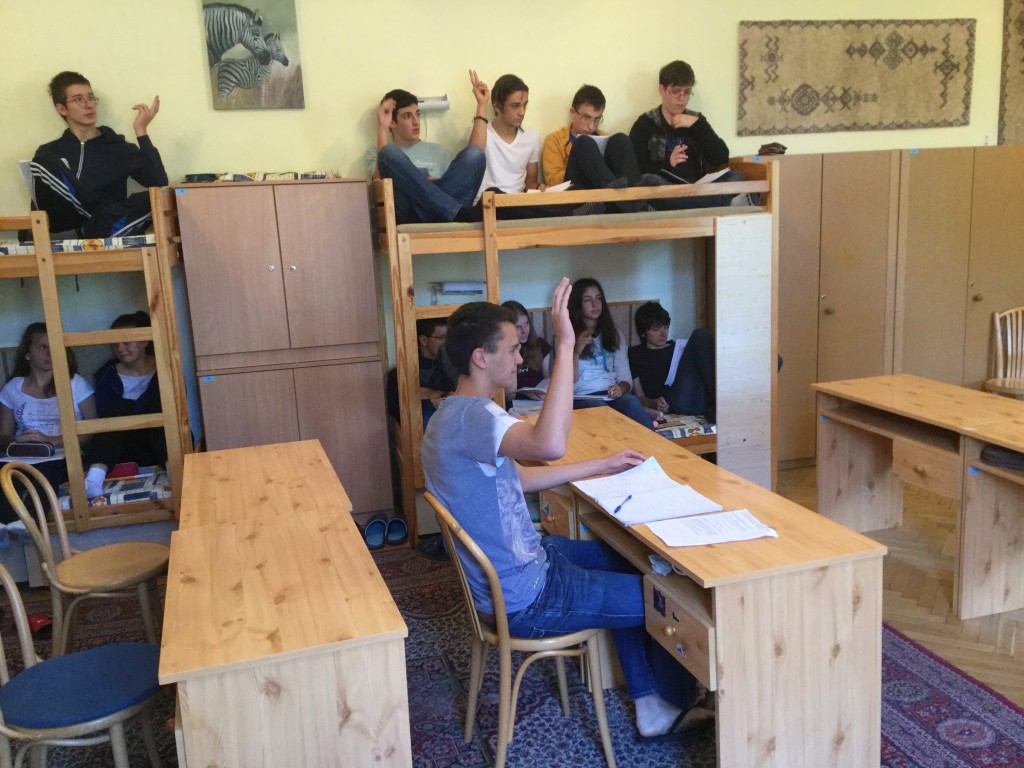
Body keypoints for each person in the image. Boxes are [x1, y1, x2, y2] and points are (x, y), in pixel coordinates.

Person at [421, 278, 708, 740]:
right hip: (528, 595)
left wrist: (600, 465)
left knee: (631, 560)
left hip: (523, 570)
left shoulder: (448, 416)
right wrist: (567, 343)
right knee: (669, 602)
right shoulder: (479, 416)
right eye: (513, 349)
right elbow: (550, 445)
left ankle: (650, 701)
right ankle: (673, 702)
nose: (520, 358)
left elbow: (514, 480)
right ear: (480, 357)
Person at [30, 71, 166, 237]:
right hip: (64, 225)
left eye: (91, 97)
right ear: (62, 109)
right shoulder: (50, 153)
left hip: (106, 224)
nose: (88, 104)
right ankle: (78, 231)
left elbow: (159, 182)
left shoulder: (117, 147)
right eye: (78, 99)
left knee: (156, 198)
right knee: (43, 162)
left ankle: (88, 231)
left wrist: (141, 130)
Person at [0, 323, 96, 523]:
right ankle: (7, 526)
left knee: (45, 474)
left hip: (62, 454)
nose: (49, 353)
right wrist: (17, 440)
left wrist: (50, 440)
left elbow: (92, 430)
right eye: (42, 347)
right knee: (5, 474)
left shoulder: (76, 384)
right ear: (28, 354)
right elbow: (3, 435)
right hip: (25, 454)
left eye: (54, 347)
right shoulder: (12, 389)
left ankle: (31, 524)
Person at [371, 71, 489, 224]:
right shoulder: (382, 153)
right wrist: (382, 128)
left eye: (417, 114)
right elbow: (379, 190)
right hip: (410, 214)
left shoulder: (440, 152)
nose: (416, 122)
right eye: (407, 116)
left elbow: (455, 187)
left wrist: (482, 105)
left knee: (475, 154)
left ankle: (447, 211)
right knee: (387, 153)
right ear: (392, 122)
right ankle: (455, 212)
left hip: (442, 215)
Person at [628, 60, 741, 209]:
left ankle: (700, 201)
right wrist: (668, 163)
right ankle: (722, 202)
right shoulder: (645, 124)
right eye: (676, 92)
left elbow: (721, 158)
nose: (682, 99)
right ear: (662, 90)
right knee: (650, 182)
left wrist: (698, 125)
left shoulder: (697, 120)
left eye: (687, 92)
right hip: (667, 188)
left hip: (697, 187)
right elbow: (635, 172)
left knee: (737, 176)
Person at [83, 311, 168, 498]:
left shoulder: (165, 368)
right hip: (120, 446)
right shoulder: (106, 374)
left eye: (126, 342)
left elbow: (177, 405)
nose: (120, 348)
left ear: (144, 341)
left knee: (161, 408)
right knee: (117, 409)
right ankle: (94, 479)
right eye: (115, 344)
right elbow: (104, 412)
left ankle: (173, 469)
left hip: (156, 443)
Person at [541, 84, 658, 213]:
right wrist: (585, 163)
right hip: (577, 195)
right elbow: (553, 182)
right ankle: (633, 204)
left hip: (604, 197)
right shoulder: (555, 140)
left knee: (620, 139)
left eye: (597, 119)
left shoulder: (604, 138)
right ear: (573, 113)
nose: (591, 126)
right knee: (583, 143)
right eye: (586, 118)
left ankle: (633, 195)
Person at [568, 278, 653, 428]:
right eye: (588, 300)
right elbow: (566, 383)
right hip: (583, 397)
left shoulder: (615, 334)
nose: (595, 304)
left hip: (611, 395)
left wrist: (621, 388)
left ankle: (652, 442)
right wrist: (575, 352)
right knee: (600, 410)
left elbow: (625, 377)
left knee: (631, 402)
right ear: (578, 304)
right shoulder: (566, 336)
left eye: (599, 298)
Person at [628, 302, 715, 423]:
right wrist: (654, 403)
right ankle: (718, 402)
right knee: (700, 334)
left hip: (696, 399)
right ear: (643, 332)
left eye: (665, 327)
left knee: (701, 335)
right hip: (673, 403)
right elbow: (640, 396)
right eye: (656, 329)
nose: (663, 333)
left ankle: (718, 400)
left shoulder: (677, 348)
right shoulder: (635, 354)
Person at [385, 318, 451, 427]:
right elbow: (398, 415)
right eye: (443, 337)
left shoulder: (453, 367)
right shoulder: (400, 374)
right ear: (424, 340)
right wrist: (430, 402)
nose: (447, 342)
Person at [501, 300, 551, 396]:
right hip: (515, 403)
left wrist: (541, 393)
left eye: (526, 323)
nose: (524, 331)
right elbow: (510, 395)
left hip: (538, 401)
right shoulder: (501, 351)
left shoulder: (540, 345)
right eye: (518, 327)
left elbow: (548, 380)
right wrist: (514, 351)